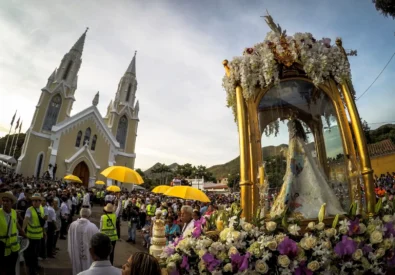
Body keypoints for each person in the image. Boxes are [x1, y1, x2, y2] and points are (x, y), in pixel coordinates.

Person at [270, 117, 345, 218]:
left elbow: (294, 157)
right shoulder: (300, 141)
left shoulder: (293, 141)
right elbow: (299, 156)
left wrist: (290, 172)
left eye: (289, 130)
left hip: (297, 170)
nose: (288, 132)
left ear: (293, 129)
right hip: (304, 169)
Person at [0, 191, 26, 275]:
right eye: (3, 200)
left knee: (12, 270)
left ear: (12, 202)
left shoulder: (14, 213)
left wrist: (25, 235)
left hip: (14, 248)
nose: (5, 203)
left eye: (7, 201)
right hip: (2, 249)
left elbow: (17, 225)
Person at [68, 208, 100, 275]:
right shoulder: (93, 227)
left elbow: (70, 241)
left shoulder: (73, 225)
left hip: (76, 254)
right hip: (88, 255)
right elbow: (98, 241)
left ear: (80, 214)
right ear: (89, 215)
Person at [23, 193, 45, 275]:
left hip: (39, 236)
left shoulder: (42, 209)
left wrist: (44, 232)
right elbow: (26, 219)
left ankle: (35, 266)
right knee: (32, 255)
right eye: (33, 201)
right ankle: (32, 271)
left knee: (36, 254)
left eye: (37, 200)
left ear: (40, 202)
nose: (35, 202)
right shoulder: (29, 209)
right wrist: (22, 229)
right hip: (31, 236)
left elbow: (42, 222)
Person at [100, 199, 121, 265]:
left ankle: (104, 264)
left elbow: (100, 228)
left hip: (104, 237)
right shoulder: (115, 216)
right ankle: (111, 264)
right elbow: (118, 208)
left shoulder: (103, 217)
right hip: (113, 237)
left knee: (104, 251)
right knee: (112, 252)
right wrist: (119, 200)